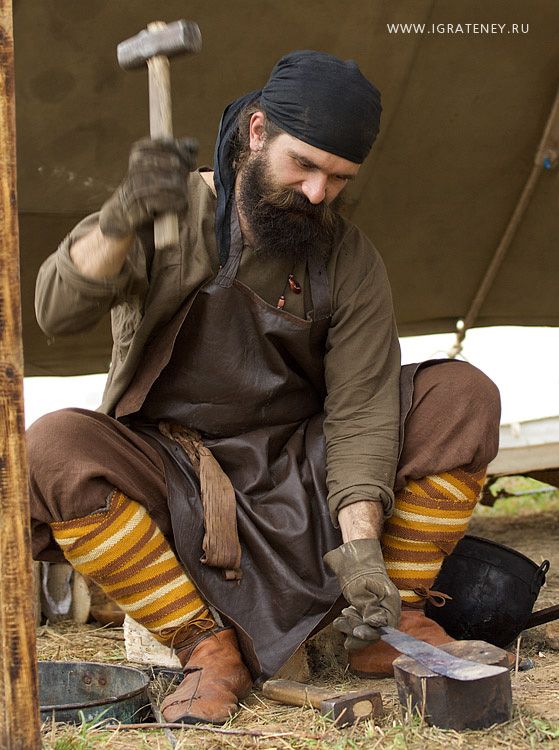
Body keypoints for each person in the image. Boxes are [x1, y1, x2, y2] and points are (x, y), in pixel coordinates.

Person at [28, 51, 500, 725]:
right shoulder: (172, 213)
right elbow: (55, 312)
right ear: (256, 133)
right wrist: (118, 218)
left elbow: (363, 407)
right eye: (301, 165)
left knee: (461, 396)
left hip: (299, 467)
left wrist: (363, 547)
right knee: (51, 446)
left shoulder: (346, 255)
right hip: (175, 465)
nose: (316, 193)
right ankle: (204, 646)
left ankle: (390, 626)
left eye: (337, 178)